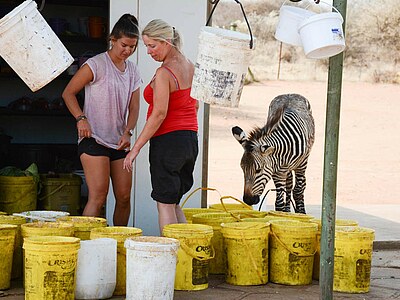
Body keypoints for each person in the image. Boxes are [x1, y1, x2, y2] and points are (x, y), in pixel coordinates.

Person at [62, 14, 142, 226]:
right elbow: (68, 93)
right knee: (98, 197)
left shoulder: (133, 70)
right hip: (93, 139)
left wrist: (128, 131)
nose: (128, 51)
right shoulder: (95, 64)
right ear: (113, 39)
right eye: (124, 45)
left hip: (119, 142)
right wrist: (81, 118)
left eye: (133, 47)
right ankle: (87, 246)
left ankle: (118, 244)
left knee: (124, 198)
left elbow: (134, 108)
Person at [123, 19, 199, 234]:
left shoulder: (165, 73)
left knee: (165, 203)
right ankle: (186, 256)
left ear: (167, 42)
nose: (148, 52)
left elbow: (159, 113)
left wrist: (136, 148)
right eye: (146, 46)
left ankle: (171, 260)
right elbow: (196, 107)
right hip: (189, 141)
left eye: (152, 45)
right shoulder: (190, 66)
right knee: (174, 202)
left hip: (168, 142)